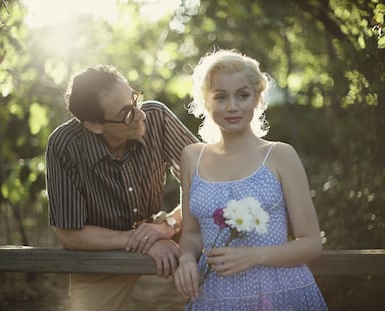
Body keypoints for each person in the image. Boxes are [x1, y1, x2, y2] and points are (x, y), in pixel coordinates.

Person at [174, 49, 328, 310]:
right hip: (214, 295)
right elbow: (191, 233)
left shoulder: (280, 155)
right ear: (205, 101)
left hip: (281, 293)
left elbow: (311, 243)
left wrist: (255, 255)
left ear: (257, 98)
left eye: (243, 95)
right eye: (221, 97)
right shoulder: (192, 157)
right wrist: (187, 259)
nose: (233, 106)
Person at [45, 64, 198, 311]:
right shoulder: (64, 145)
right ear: (94, 125)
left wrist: (168, 225)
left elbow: (208, 179)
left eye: (134, 99)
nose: (141, 115)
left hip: (159, 225)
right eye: (127, 113)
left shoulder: (156, 117)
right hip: (100, 249)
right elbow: (69, 234)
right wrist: (143, 240)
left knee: (224, 243)